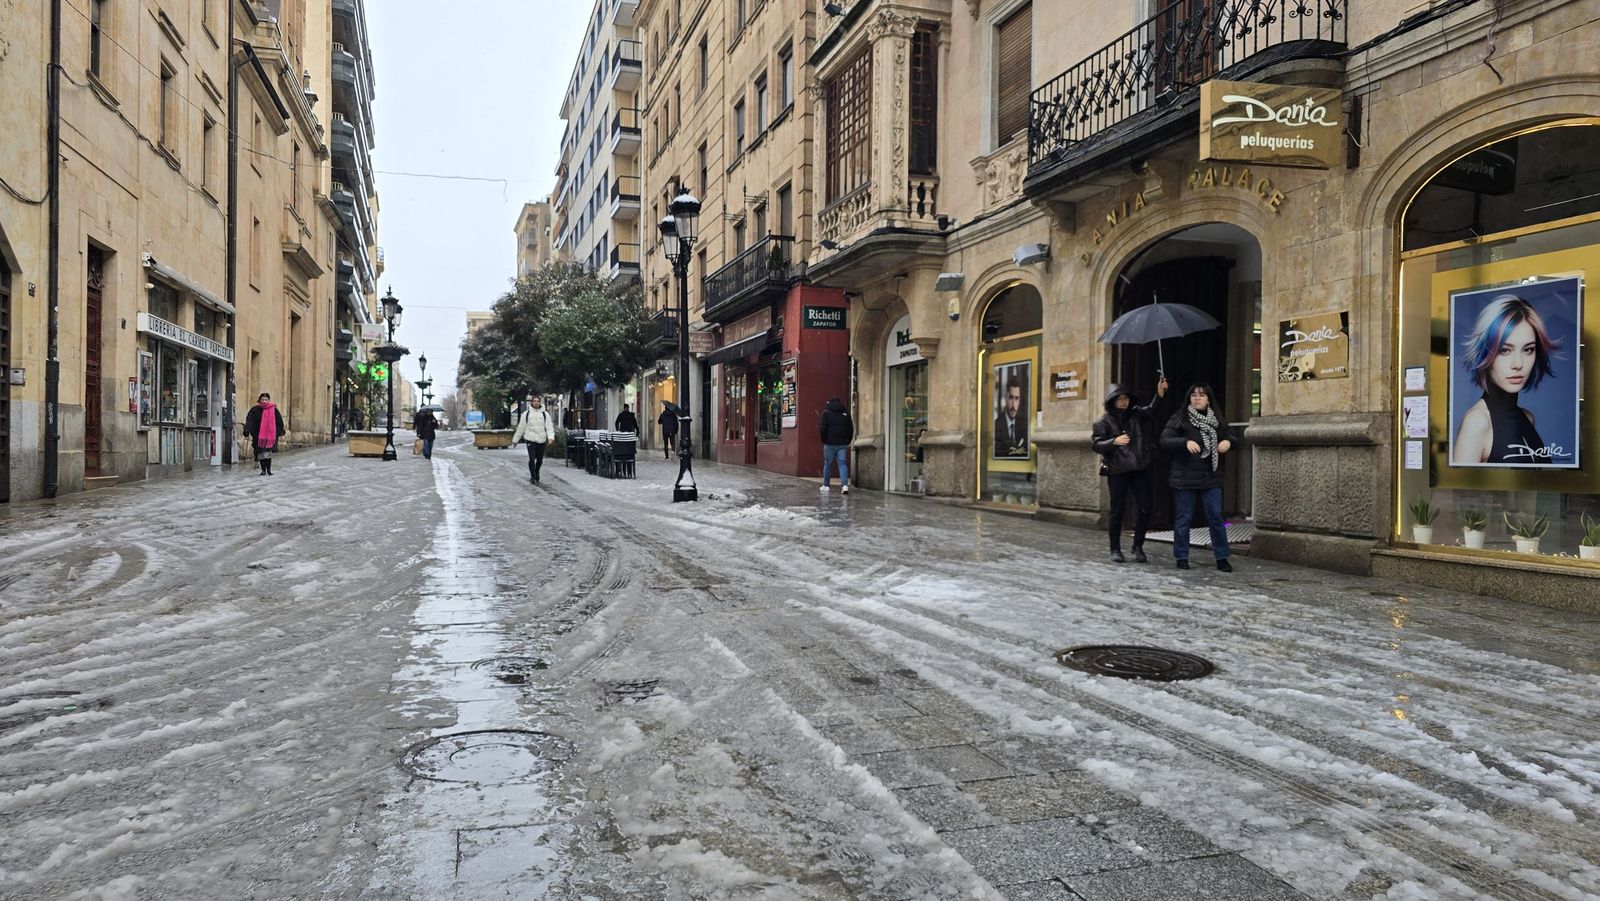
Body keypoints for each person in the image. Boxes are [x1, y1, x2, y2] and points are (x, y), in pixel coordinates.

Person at [1451, 294, 1560, 465]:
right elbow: (1460, 490)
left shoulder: (1527, 418)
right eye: (1505, 350)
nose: (1518, 364)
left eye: (1528, 350)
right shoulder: (1477, 422)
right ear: (1486, 354)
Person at [1159, 383, 1236, 572]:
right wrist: (1185, 442)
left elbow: (1232, 437)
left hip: (1211, 476)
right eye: (1193, 395)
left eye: (1201, 395)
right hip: (1185, 477)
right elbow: (1165, 440)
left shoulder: (1216, 419)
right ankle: (1182, 556)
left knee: (1216, 518)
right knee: (1184, 518)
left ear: (1208, 399)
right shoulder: (1180, 418)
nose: (1197, 398)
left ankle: (1222, 557)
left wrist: (1228, 442)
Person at [1092, 377, 1168, 563]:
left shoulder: (1136, 415)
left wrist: (1159, 394)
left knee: (1146, 507)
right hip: (1118, 471)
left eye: (1126, 398)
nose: (1123, 401)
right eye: (1119, 398)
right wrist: (1113, 442)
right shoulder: (1103, 422)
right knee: (1117, 511)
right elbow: (1096, 444)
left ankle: (1138, 546)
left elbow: (1151, 411)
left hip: (1139, 468)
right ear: (1112, 401)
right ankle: (1115, 549)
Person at [511, 393, 555, 484]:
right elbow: (521, 428)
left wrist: (550, 437)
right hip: (530, 438)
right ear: (531, 402)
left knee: (539, 459)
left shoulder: (545, 414)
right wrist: (515, 440)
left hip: (541, 439)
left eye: (538, 401)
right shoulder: (526, 414)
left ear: (540, 402)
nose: (536, 403)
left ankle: (537, 471)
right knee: (532, 458)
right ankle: (532, 476)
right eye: (534, 401)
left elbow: (549, 427)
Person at [243, 392, 286, 476]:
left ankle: (268, 469)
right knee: (261, 453)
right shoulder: (255, 410)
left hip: (270, 436)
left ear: (269, 400)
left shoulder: (274, 409)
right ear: (260, 400)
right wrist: (247, 430)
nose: (264, 401)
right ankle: (263, 470)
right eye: (262, 399)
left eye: (266, 400)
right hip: (258, 436)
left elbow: (279, 422)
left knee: (267, 453)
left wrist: (276, 432)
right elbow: (250, 421)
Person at [819, 396, 854, 494]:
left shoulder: (826, 413)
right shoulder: (846, 413)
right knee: (842, 464)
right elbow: (850, 428)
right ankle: (844, 485)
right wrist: (847, 440)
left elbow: (822, 428)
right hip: (842, 443)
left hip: (829, 443)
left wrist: (824, 440)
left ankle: (826, 485)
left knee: (827, 464)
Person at [993, 375, 1028, 457]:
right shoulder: (996, 425)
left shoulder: (1024, 424)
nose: (1013, 405)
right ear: (1006, 397)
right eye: (1011, 398)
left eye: (1016, 398)